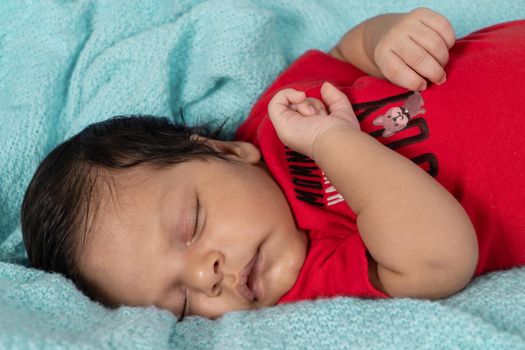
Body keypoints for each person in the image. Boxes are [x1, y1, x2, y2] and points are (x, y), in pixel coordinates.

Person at [20, 7, 525, 321]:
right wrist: (332, 141)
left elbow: (343, 53)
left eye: (192, 224)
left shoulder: (273, 117)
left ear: (224, 152)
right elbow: (441, 258)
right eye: (182, 304)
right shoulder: (313, 275)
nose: (206, 276)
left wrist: (386, 40)